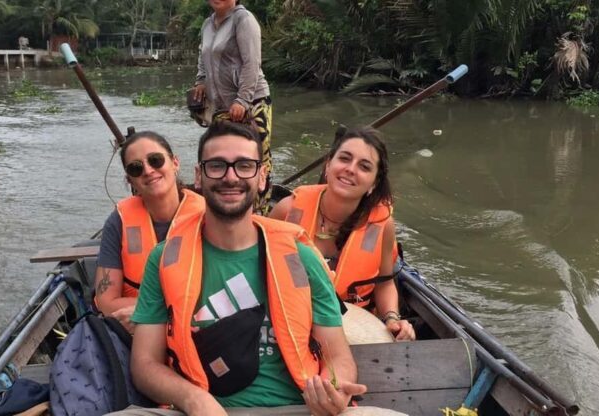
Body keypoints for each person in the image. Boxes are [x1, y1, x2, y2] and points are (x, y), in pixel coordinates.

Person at [108, 122, 406, 416]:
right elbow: (144, 365)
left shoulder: (302, 257)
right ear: (199, 176)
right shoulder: (164, 259)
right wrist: (194, 399)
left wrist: (332, 389)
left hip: (300, 409)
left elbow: (339, 356)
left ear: (262, 177)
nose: (231, 177)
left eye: (244, 166)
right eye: (217, 166)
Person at [269, 127, 415, 342]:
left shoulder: (382, 226)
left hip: (353, 328)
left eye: (364, 166)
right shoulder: (288, 210)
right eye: (344, 158)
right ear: (328, 165)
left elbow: (384, 283)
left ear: (374, 183)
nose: (350, 169)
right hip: (289, 320)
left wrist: (392, 319)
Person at [94, 131, 205, 332]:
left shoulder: (207, 216)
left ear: (175, 163)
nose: (147, 170)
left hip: (195, 328)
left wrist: (154, 312)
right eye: (136, 168)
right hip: (135, 332)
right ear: (130, 180)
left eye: (155, 160)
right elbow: (106, 303)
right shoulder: (118, 222)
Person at [192, 0, 273, 214]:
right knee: (222, 158)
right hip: (221, 106)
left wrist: (243, 100)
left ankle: (259, 213)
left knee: (255, 160)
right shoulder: (207, 24)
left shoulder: (243, 20)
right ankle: (225, 211)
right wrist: (201, 80)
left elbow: (251, 63)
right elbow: (203, 57)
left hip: (252, 102)